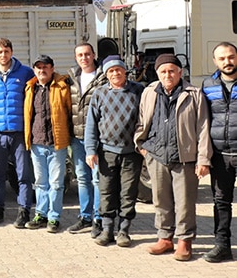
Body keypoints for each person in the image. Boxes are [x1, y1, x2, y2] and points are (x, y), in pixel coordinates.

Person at [135, 53, 212, 261]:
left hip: (184, 157)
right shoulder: (149, 92)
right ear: (157, 73)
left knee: (185, 202)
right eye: (163, 71)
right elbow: (142, 120)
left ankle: (184, 241)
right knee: (161, 200)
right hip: (157, 155)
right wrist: (141, 145)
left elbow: (203, 127)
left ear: (180, 72)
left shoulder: (193, 94)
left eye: (171, 71)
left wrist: (203, 159)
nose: (167, 75)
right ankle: (165, 238)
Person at [84, 55, 144, 247]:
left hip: (131, 152)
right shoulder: (99, 94)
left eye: (118, 69)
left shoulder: (139, 91)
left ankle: (124, 230)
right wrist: (90, 150)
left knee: (128, 192)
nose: (115, 73)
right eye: (111, 71)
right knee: (107, 191)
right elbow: (91, 125)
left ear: (125, 71)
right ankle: (107, 229)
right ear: (106, 74)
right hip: (106, 152)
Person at [0, 38, 35, 227]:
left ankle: (24, 212)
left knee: (23, 175)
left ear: (11, 52)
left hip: (20, 132)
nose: (3, 55)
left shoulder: (26, 72)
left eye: (6, 51)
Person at [23, 55, 72, 233]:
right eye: (38, 67)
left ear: (52, 69)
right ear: (34, 70)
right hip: (37, 143)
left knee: (57, 183)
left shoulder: (62, 86)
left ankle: (54, 217)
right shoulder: (30, 88)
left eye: (45, 67)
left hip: (56, 143)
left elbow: (70, 113)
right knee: (40, 182)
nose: (42, 70)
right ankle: (41, 215)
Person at [67, 43, 108, 236]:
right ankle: (85, 217)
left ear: (93, 55)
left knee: (97, 179)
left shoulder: (103, 78)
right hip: (77, 138)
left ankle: (98, 219)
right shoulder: (71, 80)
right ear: (76, 58)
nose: (84, 58)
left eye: (87, 54)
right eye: (80, 55)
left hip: (97, 138)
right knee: (82, 179)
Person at [202, 42, 237, 262]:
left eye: (231, 57)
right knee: (221, 201)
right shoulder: (208, 85)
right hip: (220, 154)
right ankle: (222, 245)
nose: (227, 62)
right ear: (215, 61)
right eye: (222, 58)